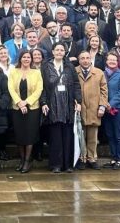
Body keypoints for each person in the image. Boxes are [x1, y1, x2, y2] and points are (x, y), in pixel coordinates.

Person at [40, 43, 82, 173]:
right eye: (57, 50)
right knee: (55, 137)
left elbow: (76, 84)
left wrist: (78, 101)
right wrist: (43, 102)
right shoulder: (46, 66)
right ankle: (56, 164)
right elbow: (42, 86)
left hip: (67, 105)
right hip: (53, 105)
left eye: (62, 50)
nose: (59, 52)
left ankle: (68, 164)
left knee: (68, 136)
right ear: (52, 52)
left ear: (65, 52)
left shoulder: (70, 66)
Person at [8, 50, 43, 173]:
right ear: (20, 59)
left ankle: (27, 161)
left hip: (32, 108)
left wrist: (26, 102)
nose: (26, 59)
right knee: (19, 135)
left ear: (31, 59)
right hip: (17, 108)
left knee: (29, 135)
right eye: (24, 57)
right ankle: (22, 160)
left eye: (29, 57)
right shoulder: (13, 71)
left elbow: (39, 90)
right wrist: (19, 102)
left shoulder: (36, 73)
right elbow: (11, 88)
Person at [74, 51, 108, 170]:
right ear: (79, 60)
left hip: (94, 108)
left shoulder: (98, 73)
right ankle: (82, 158)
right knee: (80, 135)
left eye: (87, 58)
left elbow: (104, 91)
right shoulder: (74, 72)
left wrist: (102, 106)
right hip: (80, 108)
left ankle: (92, 158)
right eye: (82, 58)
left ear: (90, 59)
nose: (85, 60)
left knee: (93, 136)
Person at [102, 52, 120, 169]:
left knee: (119, 135)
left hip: (118, 109)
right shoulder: (102, 74)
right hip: (106, 110)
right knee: (110, 135)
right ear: (106, 61)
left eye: (114, 60)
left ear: (117, 62)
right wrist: (104, 105)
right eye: (110, 60)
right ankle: (113, 158)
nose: (112, 62)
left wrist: (110, 104)